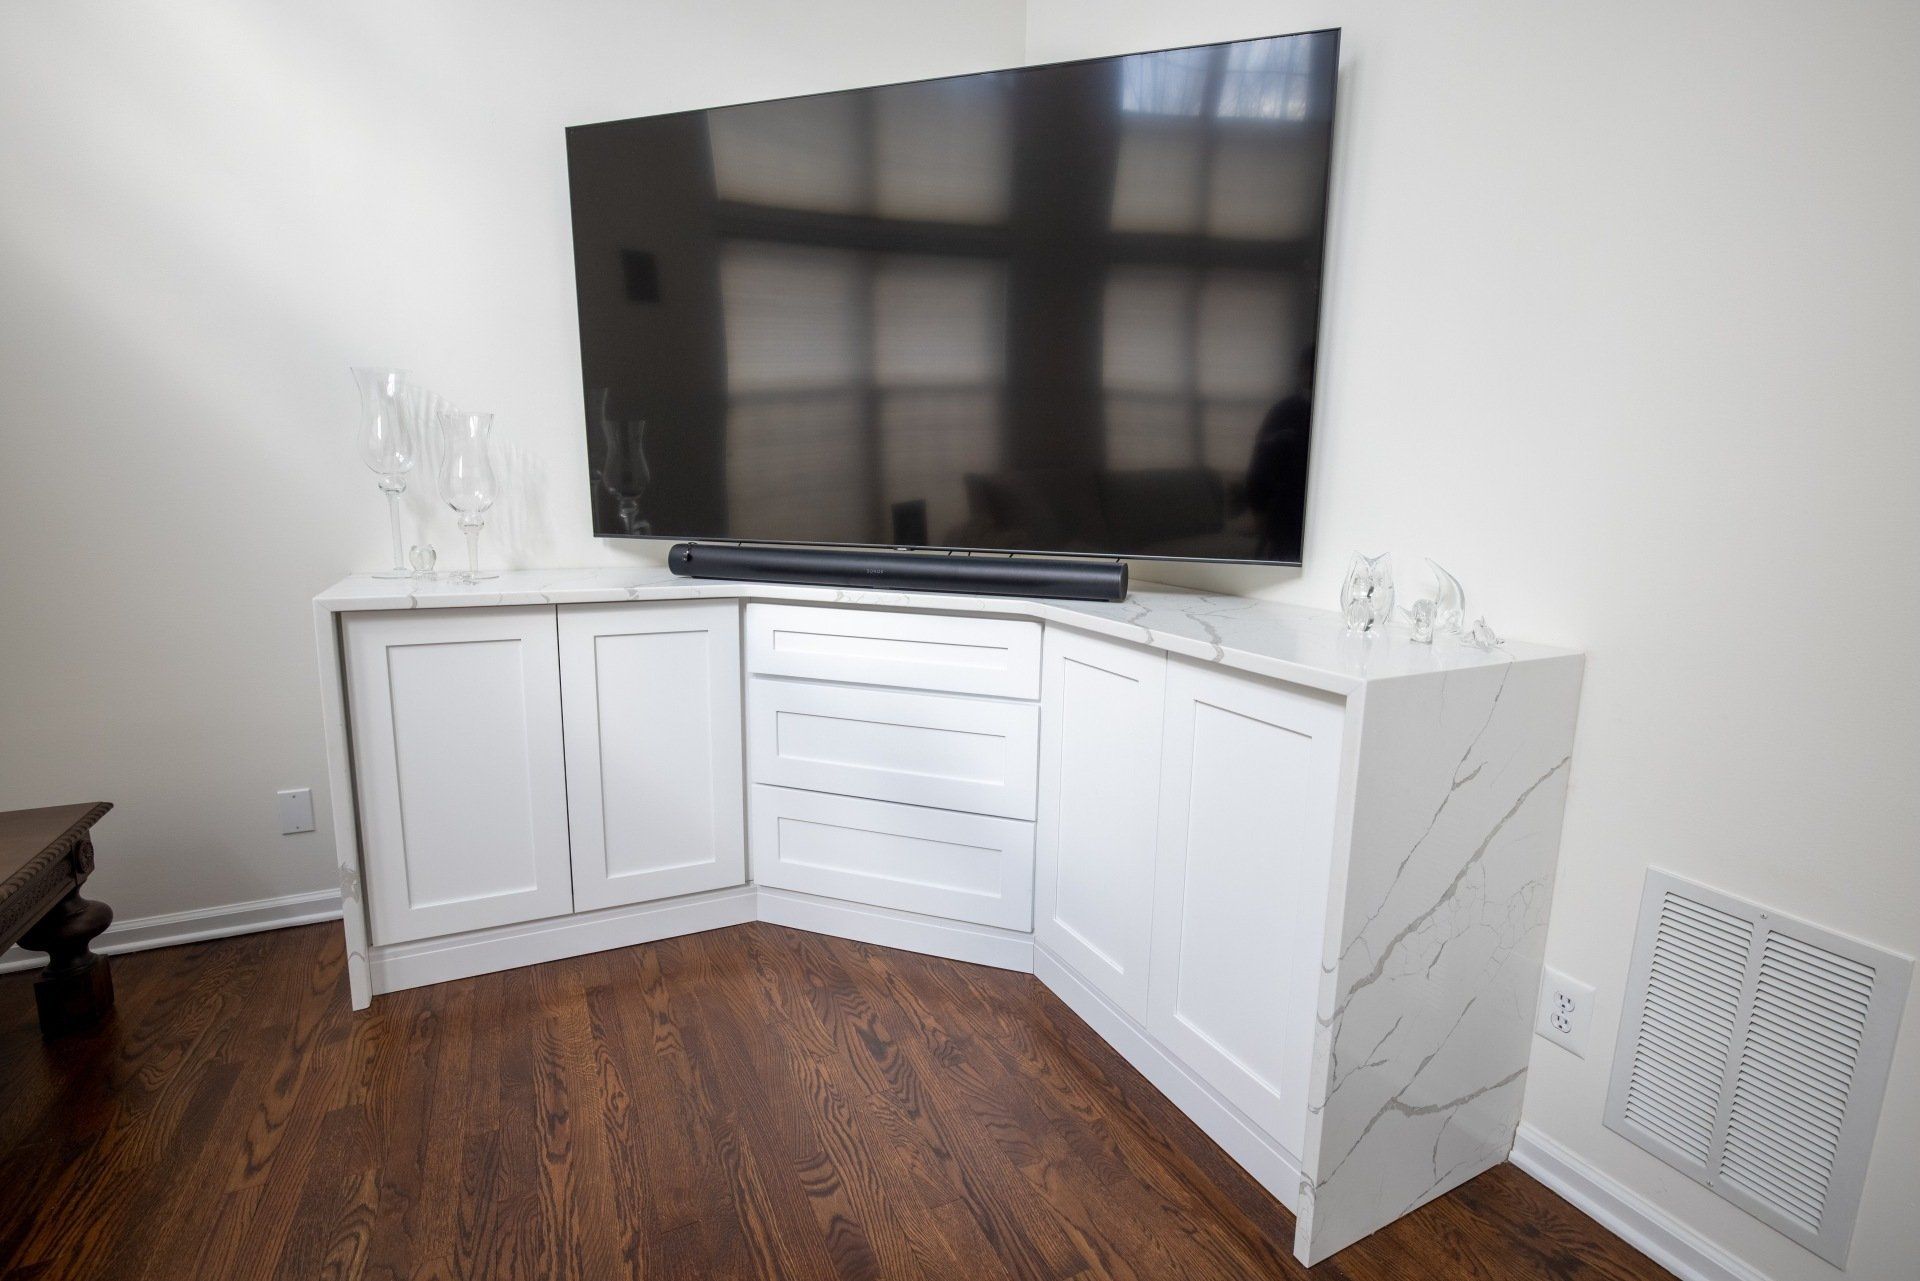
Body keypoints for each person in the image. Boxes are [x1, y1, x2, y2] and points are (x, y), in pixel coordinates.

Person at [1246, 344, 1315, 561]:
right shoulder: (1285, 412)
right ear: (1303, 371)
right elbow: (1261, 467)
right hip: (1286, 516)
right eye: (1309, 368)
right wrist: (1259, 512)